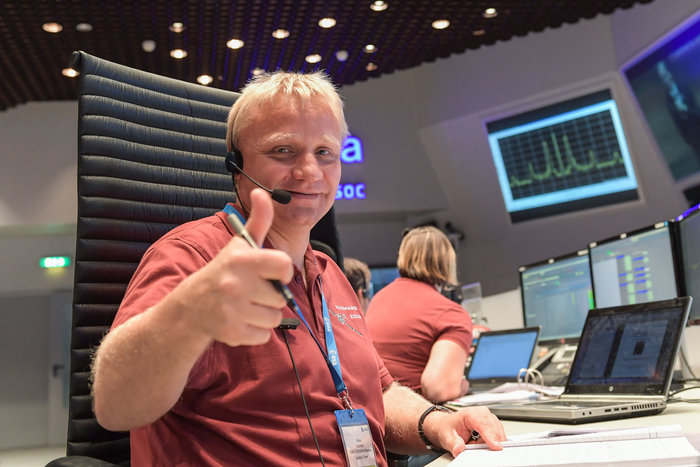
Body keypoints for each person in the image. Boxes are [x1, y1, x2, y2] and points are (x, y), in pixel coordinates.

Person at [90, 71, 504, 466]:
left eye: (324, 152)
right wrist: (189, 316)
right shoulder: (193, 258)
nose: (309, 172)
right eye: (283, 151)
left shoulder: (329, 273)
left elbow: (377, 392)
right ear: (236, 164)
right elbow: (114, 405)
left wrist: (437, 422)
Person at [366, 226, 472, 404]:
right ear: (448, 263)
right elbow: (437, 389)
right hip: (412, 418)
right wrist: (463, 385)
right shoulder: (451, 314)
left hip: (373, 415)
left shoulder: (378, 298)